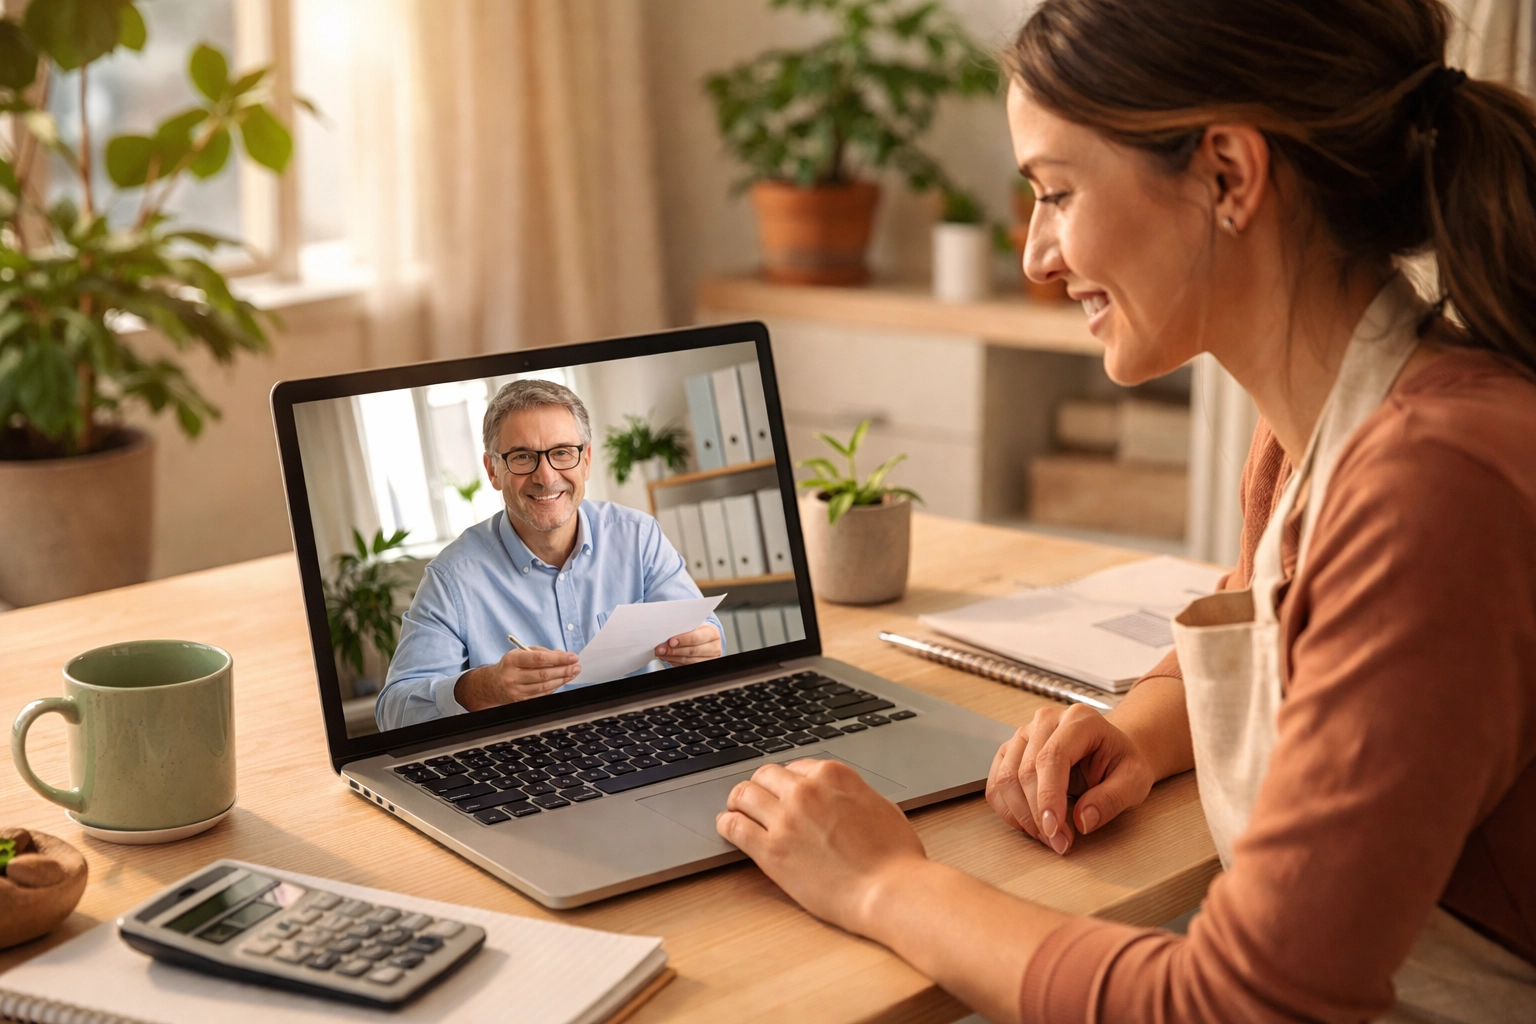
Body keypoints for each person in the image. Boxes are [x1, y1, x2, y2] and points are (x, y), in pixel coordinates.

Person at [713, 2, 1536, 1021]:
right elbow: (1280, 616)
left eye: (1056, 193)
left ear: (1229, 175)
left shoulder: (1430, 484)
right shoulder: (1321, 426)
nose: (1037, 256)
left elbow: (1239, 1003)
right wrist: (1140, 730)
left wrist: (884, 881)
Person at [375, 379, 723, 730]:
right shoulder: (452, 577)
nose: (546, 476)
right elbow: (394, 711)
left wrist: (702, 645)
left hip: (643, 739)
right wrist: (487, 688)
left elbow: (704, 631)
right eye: (523, 457)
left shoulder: (638, 536)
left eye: (561, 452)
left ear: (585, 460)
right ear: (493, 470)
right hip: (524, 764)